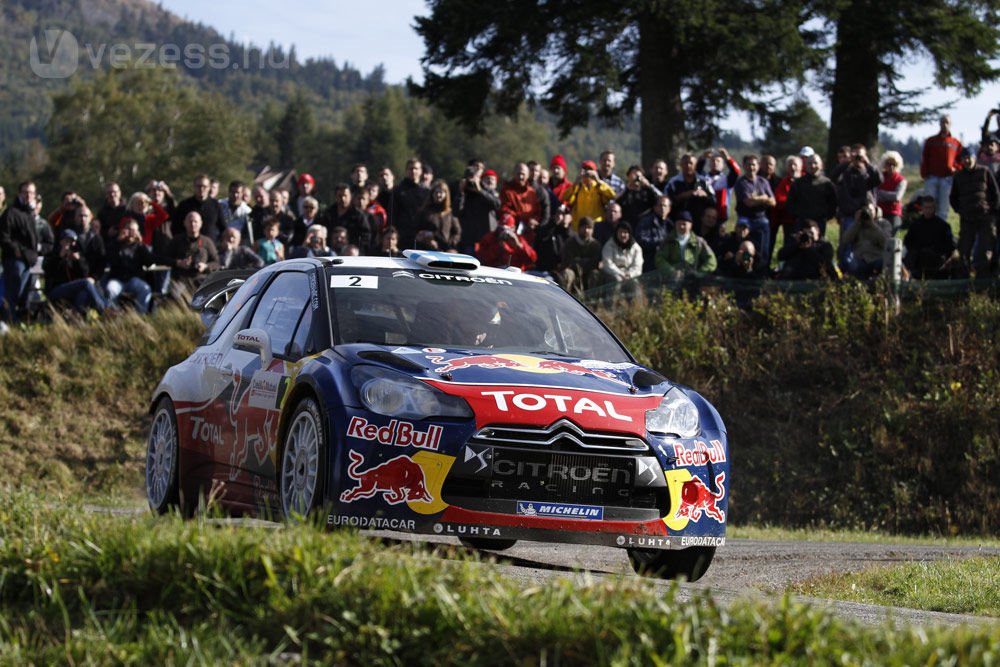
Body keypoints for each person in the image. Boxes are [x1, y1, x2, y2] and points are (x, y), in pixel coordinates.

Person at [950, 147, 1000, 276]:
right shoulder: (958, 177)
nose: (967, 160)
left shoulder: (985, 172)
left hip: (985, 218)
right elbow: (953, 198)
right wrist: (960, 210)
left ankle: (983, 284)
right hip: (967, 219)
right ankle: (965, 285)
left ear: (974, 158)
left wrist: (991, 212)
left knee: (985, 251)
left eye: (969, 157)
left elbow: (995, 194)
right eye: (964, 158)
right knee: (964, 251)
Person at [831, 144, 881, 263]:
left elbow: (879, 180)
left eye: (860, 155)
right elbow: (833, 177)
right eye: (855, 155)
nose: (857, 158)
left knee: (867, 245)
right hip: (849, 215)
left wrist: (867, 163)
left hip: (867, 215)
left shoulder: (869, 173)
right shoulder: (846, 173)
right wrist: (847, 162)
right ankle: (845, 272)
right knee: (846, 246)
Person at [43, 229, 108, 316]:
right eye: (67, 241)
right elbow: (49, 270)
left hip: (73, 289)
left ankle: (77, 317)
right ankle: (104, 310)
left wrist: (79, 261)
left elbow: (85, 273)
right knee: (86, 282)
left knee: (84, 293)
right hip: (56, 289)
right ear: (61, 241)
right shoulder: (52, 254)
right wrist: (60, 257)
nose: (70, 244)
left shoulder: (77, 255)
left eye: (73, 242)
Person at [0, 181, 39, 323]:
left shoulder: (29, 215)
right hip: (15, 261)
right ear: (19, 194)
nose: (28, 195)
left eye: (31, 192)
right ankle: (7, 323)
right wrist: (16, 251)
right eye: (25, 192)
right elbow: (4, 237)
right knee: (11, 294)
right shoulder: (11, 212)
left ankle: (17, 322)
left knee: (23, 295)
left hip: (29, 261)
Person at [103, 219, 156, 313]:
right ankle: (111, 315)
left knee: (145, 289)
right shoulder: (115, 244)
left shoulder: (139, 247)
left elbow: (150, 262)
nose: (132, 233)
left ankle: (140, 315)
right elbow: (109, 259)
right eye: (129, 230)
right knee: (110, 289)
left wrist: (142, 245)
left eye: (134, 230)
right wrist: (118, 242)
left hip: (133, 279)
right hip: (117, 279)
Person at [733, 154, 776, 268]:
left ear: (758, 166)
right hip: (745, 219)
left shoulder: (763, 182)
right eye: (748, 165)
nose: (751, 167)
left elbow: (773, 202)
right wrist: (763, 198)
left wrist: (756, 199)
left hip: (761, 218)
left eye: (753, 165)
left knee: (763, 249)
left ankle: (762, 271)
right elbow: (748, 202)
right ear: (744, 166)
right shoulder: (741, 183)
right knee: (744, 246)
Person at [902, 197, 959, 280]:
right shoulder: (915, 225)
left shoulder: (943, 226)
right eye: (926, 208)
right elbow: (908, 242)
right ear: (922, 208)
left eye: (930, 208)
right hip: (918, 259)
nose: (928, 210)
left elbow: (949, 246)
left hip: (937, 259)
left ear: (934, 208)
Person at [921, 114, 963, 220]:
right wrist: (925, 174)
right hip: (932, 178)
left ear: (951, 124)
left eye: (947, 122)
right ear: (939, 123)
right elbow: (924, 159)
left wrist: (956, 169)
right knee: (929, 206)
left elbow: (961, 160)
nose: (945, 124)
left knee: (943, 208)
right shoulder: (931, 141)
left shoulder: (955, 143)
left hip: (947, 179)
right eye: (943, 122)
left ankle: (941, 231)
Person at [786, 154, 838, 238]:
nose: (812, 166)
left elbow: (833, 203)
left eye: (815, 163)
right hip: (801, 223)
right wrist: (799, 217)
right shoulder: (798, 183)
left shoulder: (827, 184)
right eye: (809, 163)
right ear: (805, 165)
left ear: (821, 165)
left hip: (820, 222)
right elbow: (790, 204)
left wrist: (824, 217)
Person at [655, 210, 718, 278]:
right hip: (672, 280)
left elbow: (711, 260)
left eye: (684, 224)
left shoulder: (699, 242)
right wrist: (671, 271)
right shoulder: (668, 240)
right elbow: (659, 258)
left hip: (693, 281)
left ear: (690, 225)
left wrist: (699, 273)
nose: (681, 227)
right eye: (679, 224)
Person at [165, 211, 220, 288]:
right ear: (184, 223)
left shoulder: (207, 242)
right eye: (190, 221)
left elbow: (217, 262)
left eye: (195, 222)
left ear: (200, 223)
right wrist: (178, 262)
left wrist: (206, 266)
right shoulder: (177, 240)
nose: (193, 224)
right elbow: (164, 258)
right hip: (180, 280)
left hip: (201, 281)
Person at [457, 165, 500, 254]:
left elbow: (496, 204)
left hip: (488, 239)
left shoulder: (488, 191)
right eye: (469, 178)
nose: (471, 181)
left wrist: (480, 191)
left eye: (474, 177)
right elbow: (456, 211)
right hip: (469, 240)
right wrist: (461, 192)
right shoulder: (465, 193)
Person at [840, 206, 892, 279]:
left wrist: (872, 225)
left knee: (885, 262)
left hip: (877, 258)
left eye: (870, 210)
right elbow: (845, 239)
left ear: (875, 210)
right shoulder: (858, 225)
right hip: (860, 259)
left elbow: (885, 242)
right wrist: (857, 223)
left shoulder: (884, 224)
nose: (867, 213)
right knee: (848, 262)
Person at [561, 160, 617, 227]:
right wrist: (576, 182)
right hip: (579, 226)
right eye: (585, 170)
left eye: (590, 170)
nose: (587, 173)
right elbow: (565, 197)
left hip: (596, 226)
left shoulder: (599, 187)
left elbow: (612, 195)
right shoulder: (577, 187)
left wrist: (598, 181)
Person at [557, 216, 603, 296]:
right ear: (579, 228)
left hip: (589, 273)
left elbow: (595, 263)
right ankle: (564, 298)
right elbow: (568, 261)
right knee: (566, 274)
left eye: (589, 228)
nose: (586, 230)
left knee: (595, 275)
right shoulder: (570, 242)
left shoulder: (596, 245)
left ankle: (592, 302)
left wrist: (580, 261)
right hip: (573, 273)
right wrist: (584, 262)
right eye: (584, 227)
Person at [172, 174, 225, 242]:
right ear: (194, 187)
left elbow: (223, 228)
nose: (201, 189)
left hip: (209, 247)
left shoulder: (216, 205)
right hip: (188, 247)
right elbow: (175, 227)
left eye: (204, 186)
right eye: (199, 186)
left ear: (209, 187)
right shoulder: (184, 205)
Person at [665, 154, 714, 225]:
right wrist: (684, 195)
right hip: (677, 221)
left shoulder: (703, 181)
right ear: (681, 165)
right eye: (685, 163)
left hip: (699, 222)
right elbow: (666, 201)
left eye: (691, 163)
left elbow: (714, 201)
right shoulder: (673, 182)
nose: (688, 166)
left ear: (695, 165)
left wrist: (705, 195)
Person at [500, 162, 548, 236]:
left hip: (530, 232)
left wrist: (534, 220)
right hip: (512, 230)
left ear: (528, 176)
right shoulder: (506, 191)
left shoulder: (531, 192)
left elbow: (537, 210)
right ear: (513, 174)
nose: (521, 177)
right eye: (518, 174)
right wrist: (525, 219)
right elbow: (505, 209)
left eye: (523, 174)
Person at [392, 158, 430, 248]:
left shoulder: (426, 191)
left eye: (416, 168)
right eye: (410, 168)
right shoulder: (398, 190)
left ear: (421, 171)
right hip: (403, 235)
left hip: (421, 235)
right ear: (406, 171)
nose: (413, 171)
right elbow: (393, 213)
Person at [418, 180, 462, 251]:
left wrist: (450, 244)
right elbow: (417, 230)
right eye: (436, 192)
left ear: (446, 194)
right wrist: (426, 240)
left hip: (446, 251)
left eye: (441, 192)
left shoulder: (450, 213)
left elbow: (457, 232)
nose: (438, 195)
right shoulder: (425, 211)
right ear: (432, 194)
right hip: (427, 250)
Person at [770, 155, 801, 250]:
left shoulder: (805, 181)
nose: (793, 167)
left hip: (803, 220)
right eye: (790, 165)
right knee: (790, 246)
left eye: (795, 165)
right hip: (789, 221)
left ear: (800, 166)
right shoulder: (783, 183)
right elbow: (778, 200)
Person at [635, 195, 673, 272]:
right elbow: (640, 240)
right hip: (650, 262)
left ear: (669, 209)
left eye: (665, 206)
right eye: (660, 205)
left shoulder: (671, 225)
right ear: (655, 207)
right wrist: (659, 242)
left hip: (667, 263)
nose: (662, 208)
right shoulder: (645, 222)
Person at [876, 151, 908, 233]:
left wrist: (881, 193)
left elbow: (897, 197)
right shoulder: (879, 177)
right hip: (879, 212)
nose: (891, 167)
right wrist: (888, 196)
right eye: (889, 164)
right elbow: (874, 193)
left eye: (894, 164)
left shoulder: (901, 180)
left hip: (893, 213)